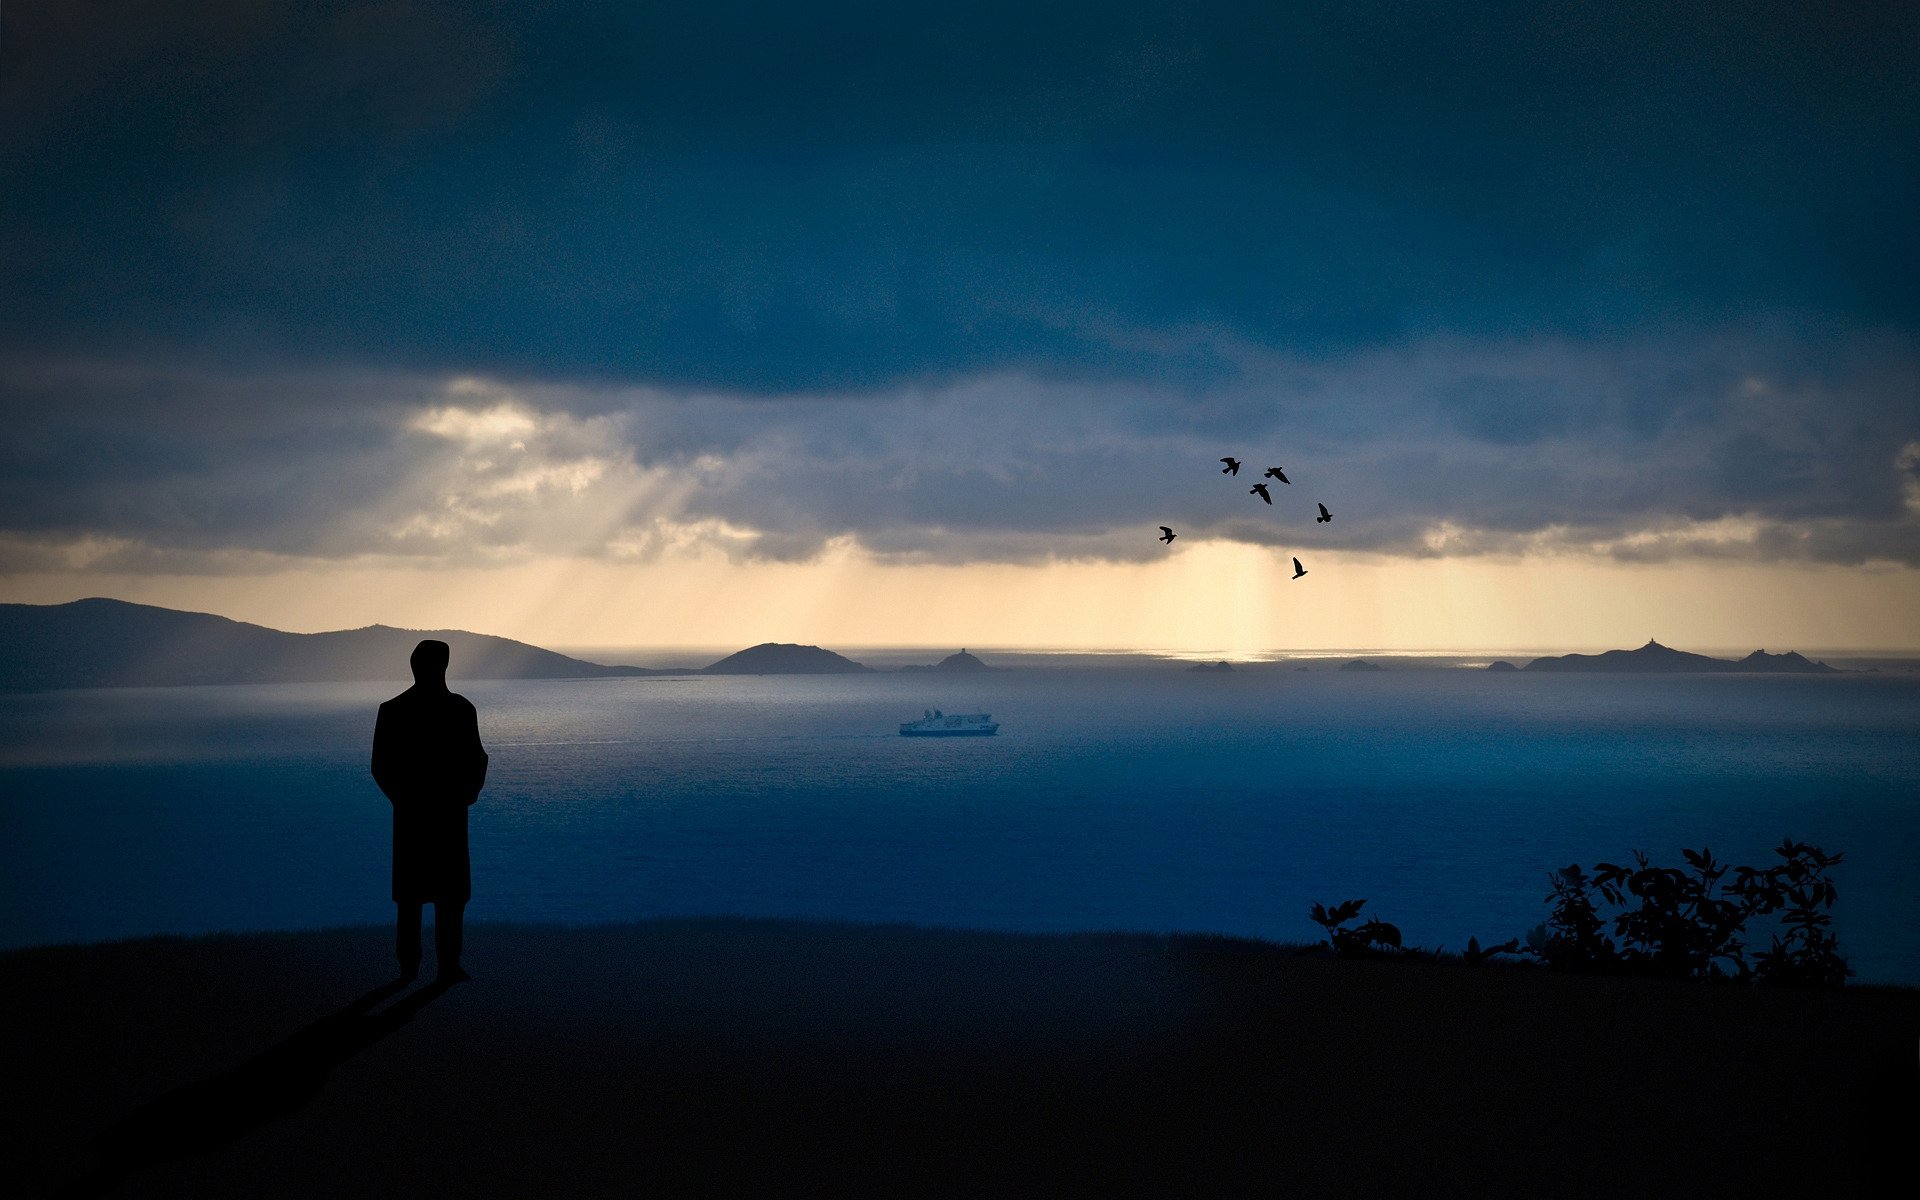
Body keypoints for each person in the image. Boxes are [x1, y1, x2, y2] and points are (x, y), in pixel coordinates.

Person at [371, 639, 488, 984]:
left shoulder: (399, 710)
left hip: (427, 817)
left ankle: (435, 966)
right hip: (436, 817)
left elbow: (476, 759)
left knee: (434, 899)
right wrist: (462, 794)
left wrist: (407, 799)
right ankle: (425, 966)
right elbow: (381, 766)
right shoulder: (457, 709)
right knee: (426, 899)